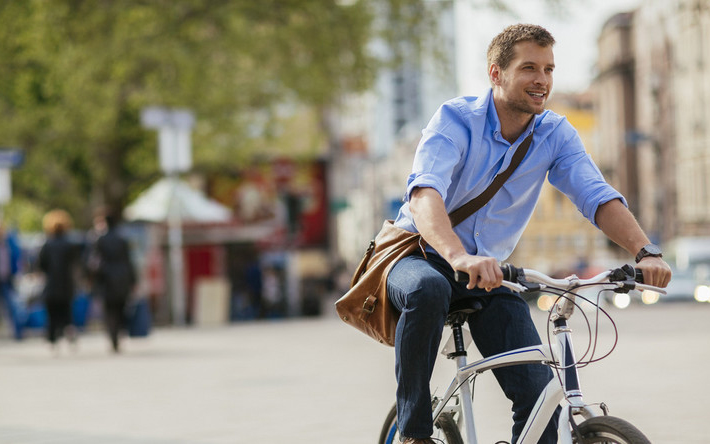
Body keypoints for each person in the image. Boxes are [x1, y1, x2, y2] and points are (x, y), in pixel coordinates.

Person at [386, 24, 672, 444]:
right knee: (427, 289)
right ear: (496, 73)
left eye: (549, 69)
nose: (542, 80)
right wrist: (458, 255)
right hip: (422, 255)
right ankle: (413, 432)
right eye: (529, 68)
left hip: (489, 275)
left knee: (541, 400)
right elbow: (425, 194)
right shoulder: (454, 120)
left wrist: (645, 250)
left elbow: (595, 195)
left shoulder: (555, 133)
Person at [92, 210, 136, 353]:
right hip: (122, 278)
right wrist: (133, 280)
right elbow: (129, 261)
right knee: (120, 308)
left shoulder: (100, 240)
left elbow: (95, 261)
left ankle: (113, 336)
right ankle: (118, 335)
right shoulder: (122, 239)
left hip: (106, 278)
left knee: (109, 309)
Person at [39, 209, 79, 351]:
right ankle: (69, 333)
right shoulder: (70, 244)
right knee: (67, 312)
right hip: (66, 283)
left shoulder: (47, 244)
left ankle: (52, 339)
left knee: (52, 314)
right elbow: (75, 263)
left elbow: (42, 265)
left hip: (51, 283)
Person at [0, 222, 23, 339]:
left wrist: (16, 273)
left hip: (7, 278)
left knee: (12, 306)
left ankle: (18, 332)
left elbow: (17, 257)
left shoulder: (9, 241)